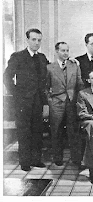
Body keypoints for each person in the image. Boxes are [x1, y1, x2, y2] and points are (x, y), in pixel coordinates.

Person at [3, 28, 49, 171]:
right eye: (34, 39)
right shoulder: (17, 56)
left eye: (39, 40)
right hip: (22, 101)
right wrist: (16, 95)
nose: (36, 43)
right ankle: (25, 162)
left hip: (38, 101)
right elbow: (6, 77)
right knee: (24, 131)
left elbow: (51, 71)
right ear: (27, 40)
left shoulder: (42, 58)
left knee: (37, 130)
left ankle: (36, 160)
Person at [46, 42, 84, 167]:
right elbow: (45, 87)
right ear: (57, 52)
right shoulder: (50, 67)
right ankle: (57, 158)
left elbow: (79, 84)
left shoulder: (74, 65)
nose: (66, 53)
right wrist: (50, 101)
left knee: (73, 131)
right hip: (56, 103)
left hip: (72, 103)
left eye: (67, 50)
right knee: (56, 131)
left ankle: (76, 158)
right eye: (63, 50)